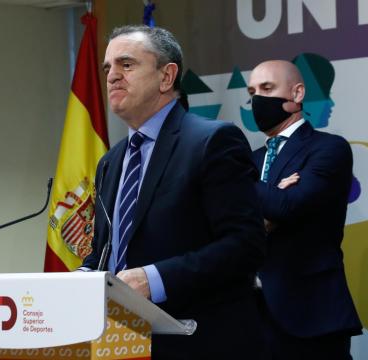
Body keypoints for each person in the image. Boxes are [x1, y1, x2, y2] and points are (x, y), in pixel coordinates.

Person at [81, 25, 266, 359]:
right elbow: (105, 251)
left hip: (200, 341)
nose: (112, 76)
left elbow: (245, 245)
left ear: (167, 77)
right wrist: (79, 280)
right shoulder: (111, 161)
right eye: (108, 68)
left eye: (127, 64)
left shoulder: (212, 142)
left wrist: (154, 279)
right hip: (121, 343)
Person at [247, 60, 362, 359]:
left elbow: (288, 206)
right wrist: (268, 207)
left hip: (309, 317)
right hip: (251, 317)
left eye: (267, 88)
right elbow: (229, 228)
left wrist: (238, 180)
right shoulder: (250, 160)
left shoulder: (328, 149)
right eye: (252, 92)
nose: (257, 99)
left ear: (297, 94)